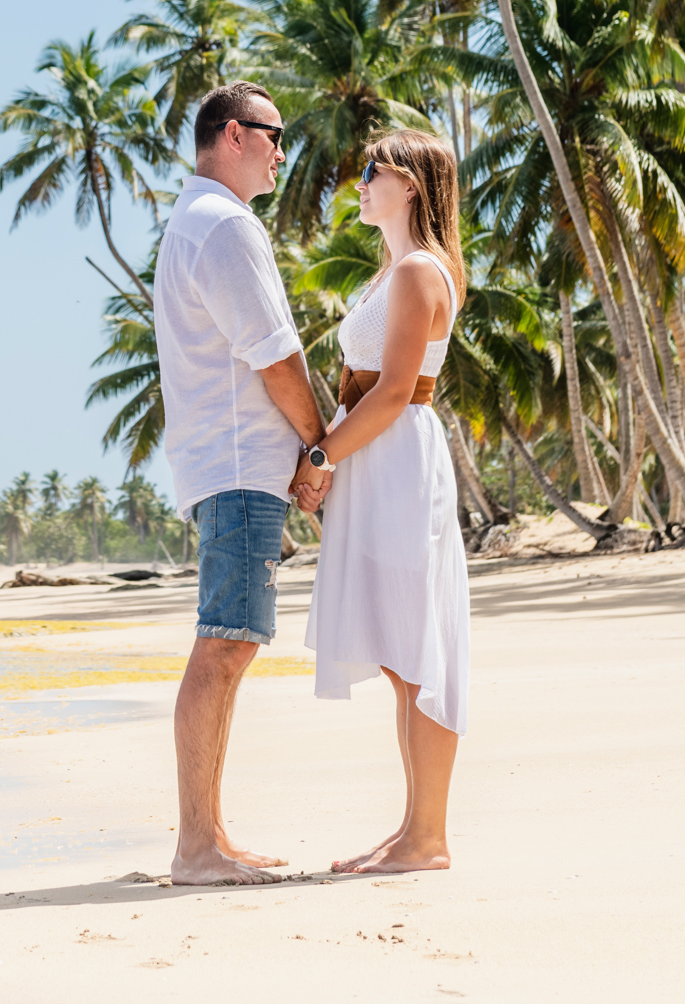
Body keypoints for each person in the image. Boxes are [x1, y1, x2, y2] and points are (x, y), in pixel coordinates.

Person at [156, 80, 331, 886]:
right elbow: (276, 356)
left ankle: (210, 835)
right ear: (232, 134)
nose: (282, 153)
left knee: (230, 646)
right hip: (237, 465)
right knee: (225, 645)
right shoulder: (224, 224)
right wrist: (320, 447)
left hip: (226, 464)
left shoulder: (197, 220)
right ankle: (198, 846)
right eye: (273, 134)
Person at [296, 129, 469, 874]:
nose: (359, 181)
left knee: (417, 651)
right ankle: (412, 831)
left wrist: (320, 456)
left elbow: (396, 391)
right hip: (379, 462)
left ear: (413, 186)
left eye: (374, 170)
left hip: (397, 464)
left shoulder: (419, 272)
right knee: (402, 656)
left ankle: (428, 837)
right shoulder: (392, 273)